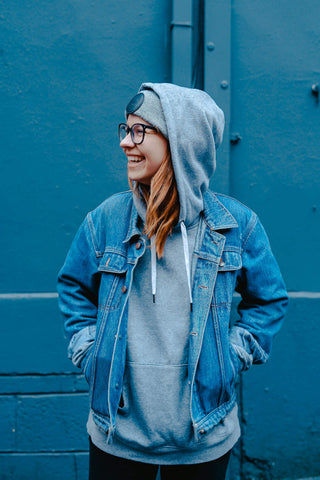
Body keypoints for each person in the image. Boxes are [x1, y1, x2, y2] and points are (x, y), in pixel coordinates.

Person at [57, 82, 288, 480]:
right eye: (125, 130)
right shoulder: (106, 221)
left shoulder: (236, 227)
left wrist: (232, 357)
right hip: (118, 434)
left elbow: (268, 301)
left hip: (204, 435)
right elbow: (74, 289)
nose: (126, 143)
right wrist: (90, 353)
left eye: (140, 131)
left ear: (182, 141)